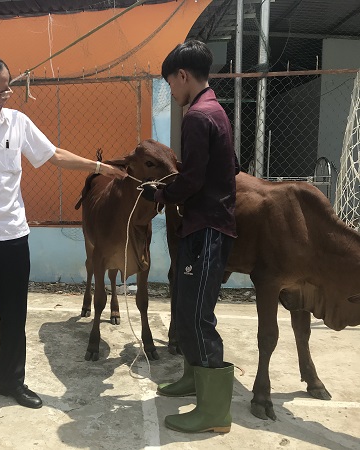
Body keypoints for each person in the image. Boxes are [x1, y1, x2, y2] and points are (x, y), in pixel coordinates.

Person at [0, 53, 126, 423]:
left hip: (12, 234)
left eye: (6, 92)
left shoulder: (17, 123)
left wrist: (100, 167)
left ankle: (12, 383)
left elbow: (55, 156)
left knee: (13, 313)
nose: (0, 100)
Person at [141, 39, 239, 434]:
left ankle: (215, 413)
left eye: (170, 84)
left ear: (182, 76)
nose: (171, 92)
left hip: (208, 229)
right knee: (184, 307)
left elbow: (195, 178)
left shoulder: (198, 116)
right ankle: (190, 378)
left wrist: (162, 194)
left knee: (198, 317)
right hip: (202, 226)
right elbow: (227, 165)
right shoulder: (215, 110)